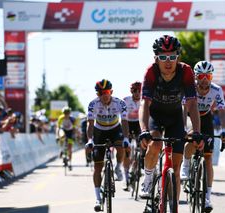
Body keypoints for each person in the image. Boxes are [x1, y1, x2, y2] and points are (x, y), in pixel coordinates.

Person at [138, 35, 202, 203]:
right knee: (156, 143)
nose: (168, 62)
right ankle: (148, 178)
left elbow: (192, 104)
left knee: (176, 165)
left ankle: (173, 205)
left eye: (172, 57)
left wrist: (196, 131)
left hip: (175, 117)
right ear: (156, 59)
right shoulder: (151, 72)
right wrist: (144, 130)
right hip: (155, 115)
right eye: (163, 57)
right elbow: (144, 103)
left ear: (178, 57)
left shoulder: (186, 71)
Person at [180, 61, 225, 211]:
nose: (204, 79)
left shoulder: (216, 90)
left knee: (208, 157)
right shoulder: (189, 88)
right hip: (189, 116)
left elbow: (221, 110)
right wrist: (183, 128)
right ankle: (186, 164)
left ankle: (207, 197)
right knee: (191, 137)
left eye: (208, 76)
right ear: (196, 76)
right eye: (201, 76)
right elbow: (183, 109)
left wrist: (224, 130)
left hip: (206, 117)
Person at [85, 79, 130, 211]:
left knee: (121, 145)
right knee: (98, 166)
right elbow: (90, 123)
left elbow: (125, 121)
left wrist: (126, 138)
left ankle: (118, 167)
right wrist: (90, 140)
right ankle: (98, 198)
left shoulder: (120, 103)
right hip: (99, 131)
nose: (104, 95)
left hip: (115, 129)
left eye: (106, 92)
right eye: (100, 93)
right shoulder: (93, 104)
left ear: (111, 92)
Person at [122, 81, 142, 190]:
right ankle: (126, 178)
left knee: (141, 147)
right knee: (127, 151)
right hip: (128, 124)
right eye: (135, 90)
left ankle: (138, 165)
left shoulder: (144, 100)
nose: (137, 93)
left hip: (139, 124)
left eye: (139, 90)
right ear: (131, 91)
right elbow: (122, 117)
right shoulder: (126, 100)